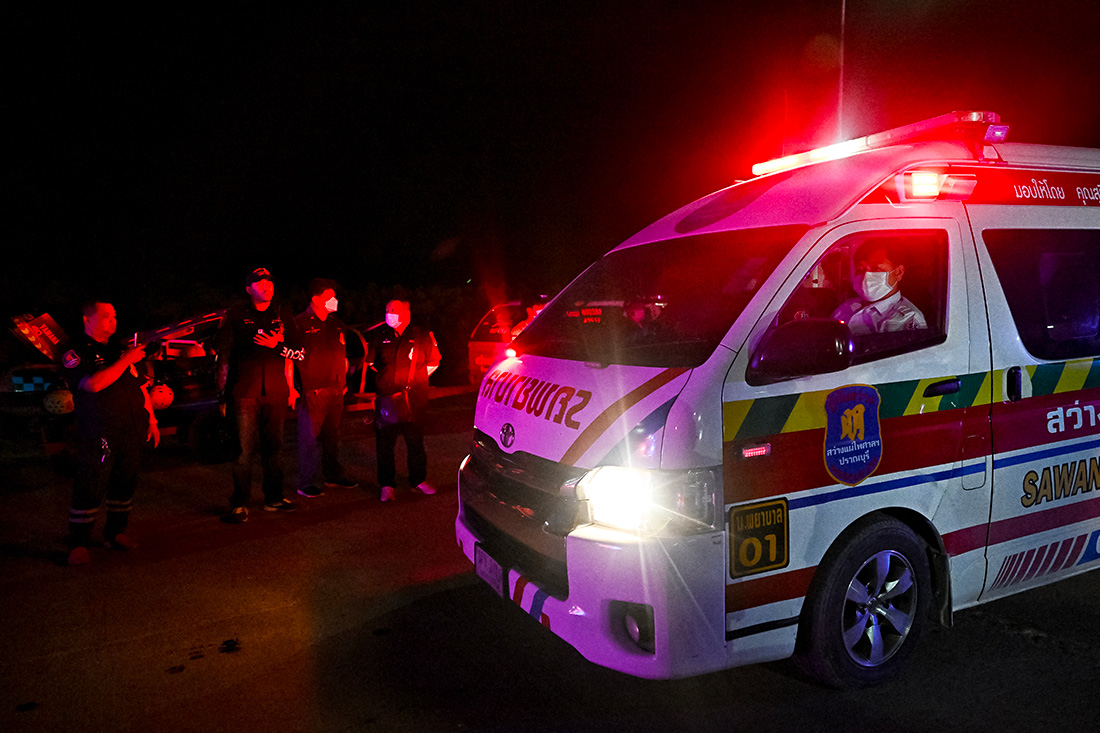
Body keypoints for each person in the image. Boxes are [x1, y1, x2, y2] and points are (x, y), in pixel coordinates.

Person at [61, 301, 159, 566]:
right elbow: (93, 384)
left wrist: (151, 420)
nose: (113, 321)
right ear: (88, 319)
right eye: (106, 316)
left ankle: (115, 532)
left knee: (126, 481)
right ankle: (78, 543)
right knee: (92, 483)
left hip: (132, 428)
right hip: (101, 430)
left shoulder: (120, 348)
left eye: (114, 316)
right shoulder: (75, 351)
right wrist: (126, 360)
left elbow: (140, 386)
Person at [215, 267, 303, 522]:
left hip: (275, 392)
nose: (266, 286)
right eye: (259, 282)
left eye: (269, 282)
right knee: (243, 452)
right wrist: (222, 394)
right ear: (248, 289)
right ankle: (239, 503)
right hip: (245, 393)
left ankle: (274, 498)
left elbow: (300, 353)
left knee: (274, 448)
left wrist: (279, 345)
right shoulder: (235, 315)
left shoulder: (282, 314)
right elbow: (222, 356)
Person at [368, 299, 441, 502]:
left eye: (394, 310)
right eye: (387, 309)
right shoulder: (380, 335)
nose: (389, 313)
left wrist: (413, 382)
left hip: (414, 399)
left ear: (406, 313)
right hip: (387, 398)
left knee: (415, 441)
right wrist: (388, 381)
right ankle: (387, 485)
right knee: (385, 444)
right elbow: (372, 363)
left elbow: (433, 362)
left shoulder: (421, 335)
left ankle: (418, 480)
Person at [293, 279, 358, 498]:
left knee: (333, 435)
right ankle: (306, 482)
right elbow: (288, 358)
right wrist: (293, 388)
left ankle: (333, 475)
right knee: (309, 438)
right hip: (313, 390)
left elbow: (342, 353)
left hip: (336, 389)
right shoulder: (300, 324)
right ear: (315, 299)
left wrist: (343, 381)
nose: (335, 300)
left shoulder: (336, 323)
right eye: (330, 297)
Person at [831, 242, 927, 334]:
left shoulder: (907, 318)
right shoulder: (848, 306)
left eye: (875, 268)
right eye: (860, 269)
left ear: (898, 272)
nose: (866, 276)